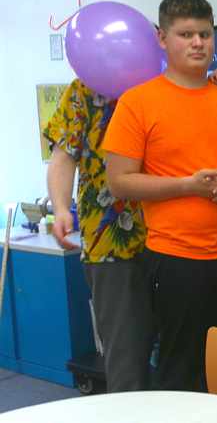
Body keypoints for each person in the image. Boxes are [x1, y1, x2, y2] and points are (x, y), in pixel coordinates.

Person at [103, 0, 217, 391]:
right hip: (178, 260)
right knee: (182, 369)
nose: (197, 43)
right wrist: (188, 187)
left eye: (205, 34)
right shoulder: (138, 103)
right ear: (162, 38)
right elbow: (119, 180)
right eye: (185, 34)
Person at [44, 79, 153, 392]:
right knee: (126, 361)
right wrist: (61, 208)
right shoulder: (84, 91)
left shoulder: (162, 84)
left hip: (175, 240)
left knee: (180, 358)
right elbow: (63, 155)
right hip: (111, 246)